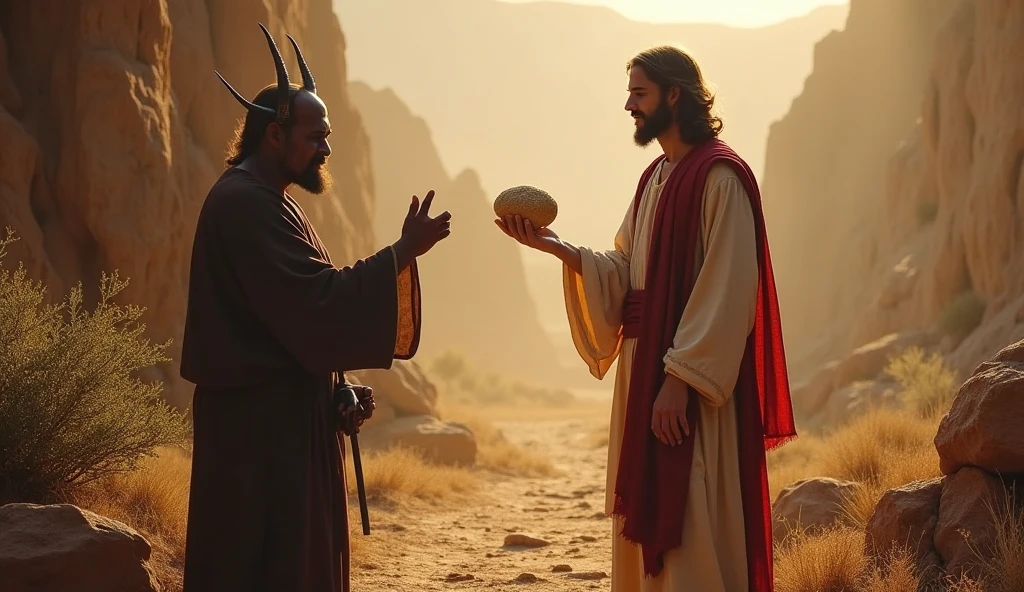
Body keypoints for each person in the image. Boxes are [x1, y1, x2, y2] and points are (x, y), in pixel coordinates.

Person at [496, 45, 797, 591]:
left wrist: (679, 382)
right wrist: (558, 248)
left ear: (673, 95)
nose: (629, 106)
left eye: (639, 93)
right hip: (646, 373)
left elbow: (726, 291)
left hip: (692, 390)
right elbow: (627, 267)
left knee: (693, 508)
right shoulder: (656, 177)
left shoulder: (720, 178)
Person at [178, 24, 451, 592]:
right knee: (262, 567)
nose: (326, 147)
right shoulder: (244, 205)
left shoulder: (272, 202)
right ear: (274, 136)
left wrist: (337, 387)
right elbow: (317, 301)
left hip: (282, 427)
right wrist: (403, 251)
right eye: (316, 134)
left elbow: (295, 316)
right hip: (256, 440)